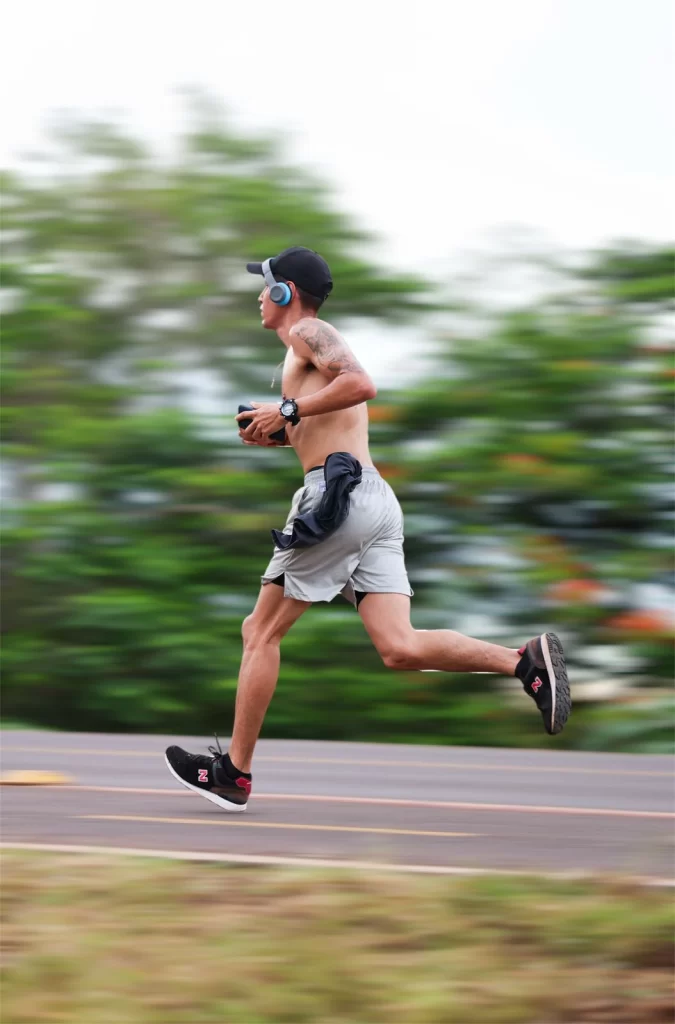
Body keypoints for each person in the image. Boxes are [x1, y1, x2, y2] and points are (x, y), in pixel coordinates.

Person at [165, 246, 571, 811]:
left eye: (265, 284)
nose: (258, 295)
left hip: (337, 498)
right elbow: (327, 419)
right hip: (370, 498)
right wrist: (276, 427)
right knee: (399, 648)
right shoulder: (299, 356)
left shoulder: (308, 331)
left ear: (285, 292)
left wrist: (287, 412)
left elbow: (360, 383)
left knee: (260, 632)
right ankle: (524, 662)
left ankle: (233, 773)